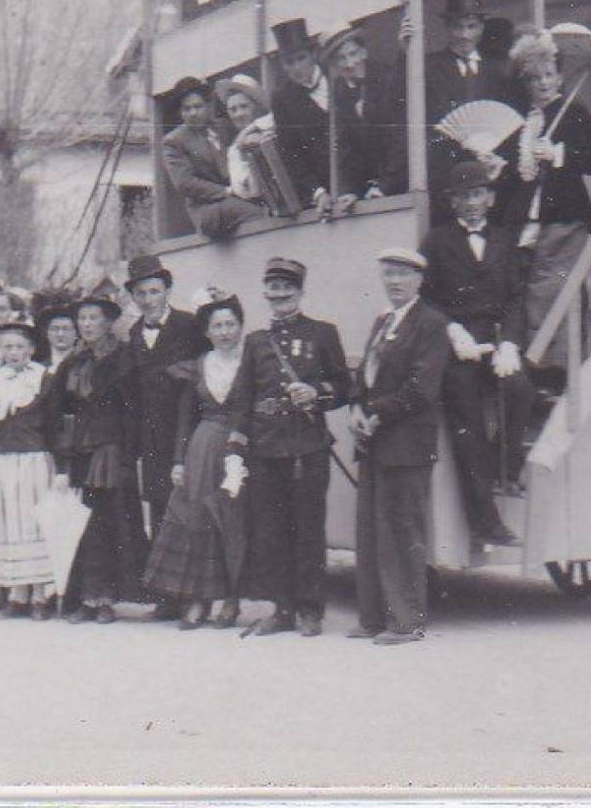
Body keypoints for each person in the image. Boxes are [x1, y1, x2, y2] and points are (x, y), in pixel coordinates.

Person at [224, 257, 350, 637]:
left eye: (286, 288)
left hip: (306, 448)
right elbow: (242, 398)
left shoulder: (323, 334)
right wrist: (236, 446)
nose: (279, 295)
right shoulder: (256, 342)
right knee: (270, 532)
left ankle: (310, 610)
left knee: (308, 531)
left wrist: (316, 392)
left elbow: (344, 387)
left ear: (300, 292)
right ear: (265, 293)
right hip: (264, 449)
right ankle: (280, 609)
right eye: (273, 288)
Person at [420, 160, 533, 546]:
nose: (471, 202)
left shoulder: (503, 239)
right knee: (466, 425)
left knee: (521, 391)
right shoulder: (436, 241)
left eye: (477, 194)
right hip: (457, 347)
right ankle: (487, 523)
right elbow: (426, 299)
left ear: (490, 198)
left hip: (495, 340)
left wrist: (510, 344)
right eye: (463, 196)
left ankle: (507, 468)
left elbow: (516, 297)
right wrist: (451, 331)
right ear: (453, 202)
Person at [348, 249, 452, 645]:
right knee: (372, 529)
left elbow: (421, 389)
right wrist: (358, 406)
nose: (394, 282)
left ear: (419, 281)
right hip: (374, 441)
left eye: (402, 275)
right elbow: (366, 375)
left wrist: (375, 412)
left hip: (406, 444)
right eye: (388, 274)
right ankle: (373, 617)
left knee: (403, 531)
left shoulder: (431, 324)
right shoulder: (383, 321)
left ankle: (407, 621)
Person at [496, 29, 591, 378]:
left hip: (565, 217)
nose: (543, 84)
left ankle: (559, 367)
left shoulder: (574, 112)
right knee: (529, 289)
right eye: (534, 78)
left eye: (548, 75)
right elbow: (520, 177)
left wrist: (559, 154)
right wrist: (499, 166)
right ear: (525, 83)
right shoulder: (522, 122)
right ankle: (543, 366)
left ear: (559, 76)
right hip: (529, 220)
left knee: (554, 289)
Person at [143, 290, 249, 630]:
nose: (224, 332)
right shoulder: (200, 365)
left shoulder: (251, 362)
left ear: (240, 326)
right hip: (202, 446)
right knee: (197, 519)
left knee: (233, 522)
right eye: (217, 325)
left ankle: (231, 600)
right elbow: (185, 417)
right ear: (207, 331)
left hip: (240, 445)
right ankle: (199, 599)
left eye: (230, 324)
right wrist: (178, 460)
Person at [51, 294, 147, 624]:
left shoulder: (122, 358)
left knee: (109, 524)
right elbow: (57, 407)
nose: (88, 325)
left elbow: (133, 410)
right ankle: (83, 599)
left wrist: (128, 454)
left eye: (95, 318)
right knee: (81, 525)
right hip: (79, 451)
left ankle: (106, 598)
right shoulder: (72, 362)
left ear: (108, 322)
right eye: (83, 319)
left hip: (110, 450)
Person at [122, 254, 204, 620]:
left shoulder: (190, 325)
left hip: (186, 431)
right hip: (152, 436)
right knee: (159, 508)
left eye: (154, 291)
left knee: (188, 508)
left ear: (168, 290)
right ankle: (168, 593)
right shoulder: (134, 334)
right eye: (141, 293)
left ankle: (193, 592)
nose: (148, 299)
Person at [0, 316, 61, 619]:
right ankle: (16, 593)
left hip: (35, 461)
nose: (14, 353)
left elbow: (54, 427)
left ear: (32, 349)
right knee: (7, 524)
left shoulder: (43, 380)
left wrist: (59, 469)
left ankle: (39, 594)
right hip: (1, 463)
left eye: (20, 346)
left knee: (33, 523)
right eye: (7, 347)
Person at [419, 0, 515, 224]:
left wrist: (495, 157)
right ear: (447, 27)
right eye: (458, 27)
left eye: (472, 26)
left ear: (481, 27)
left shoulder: (498, 70)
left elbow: (508, 123)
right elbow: (429, 129)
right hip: (447, 179)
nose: (465, 35)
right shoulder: (430, 67)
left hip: (489, 180)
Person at [161, 75, 267, 239]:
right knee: (258, 214)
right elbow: (184, 183)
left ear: (208, 106)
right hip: (208, 209)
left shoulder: (224, 126)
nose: (193, 113)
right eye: (186, 109)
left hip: (241, 197)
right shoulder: (174, 141)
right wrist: (227, 191)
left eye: (198, 106)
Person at [269, 18, 350, 219]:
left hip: (359, 181)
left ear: (313, 55)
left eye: (301, 58)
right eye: (289, 62)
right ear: (283, 65)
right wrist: (317, 192)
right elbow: (290, 152)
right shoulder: (282, 99)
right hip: (325, 194)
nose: (296, 67)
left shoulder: (338, 75)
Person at [317, 20, 408, 200]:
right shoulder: (339, 95)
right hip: (371, 190)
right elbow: (347, 150)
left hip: (403, 181)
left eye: (352, 54)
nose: (349, 63)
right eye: (341, 58)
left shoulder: (389, 79)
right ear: (334, 65)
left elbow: (401, 137)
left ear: (364, 52)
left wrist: (386, 186)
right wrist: (349, 191)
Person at [215, 74, 274, 204]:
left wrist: (251, 131)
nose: (239, 114)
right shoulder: (234, 149)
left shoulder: (271, 127)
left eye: (244, 106)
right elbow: (245, 191)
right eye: (233, 109)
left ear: (256, 106)